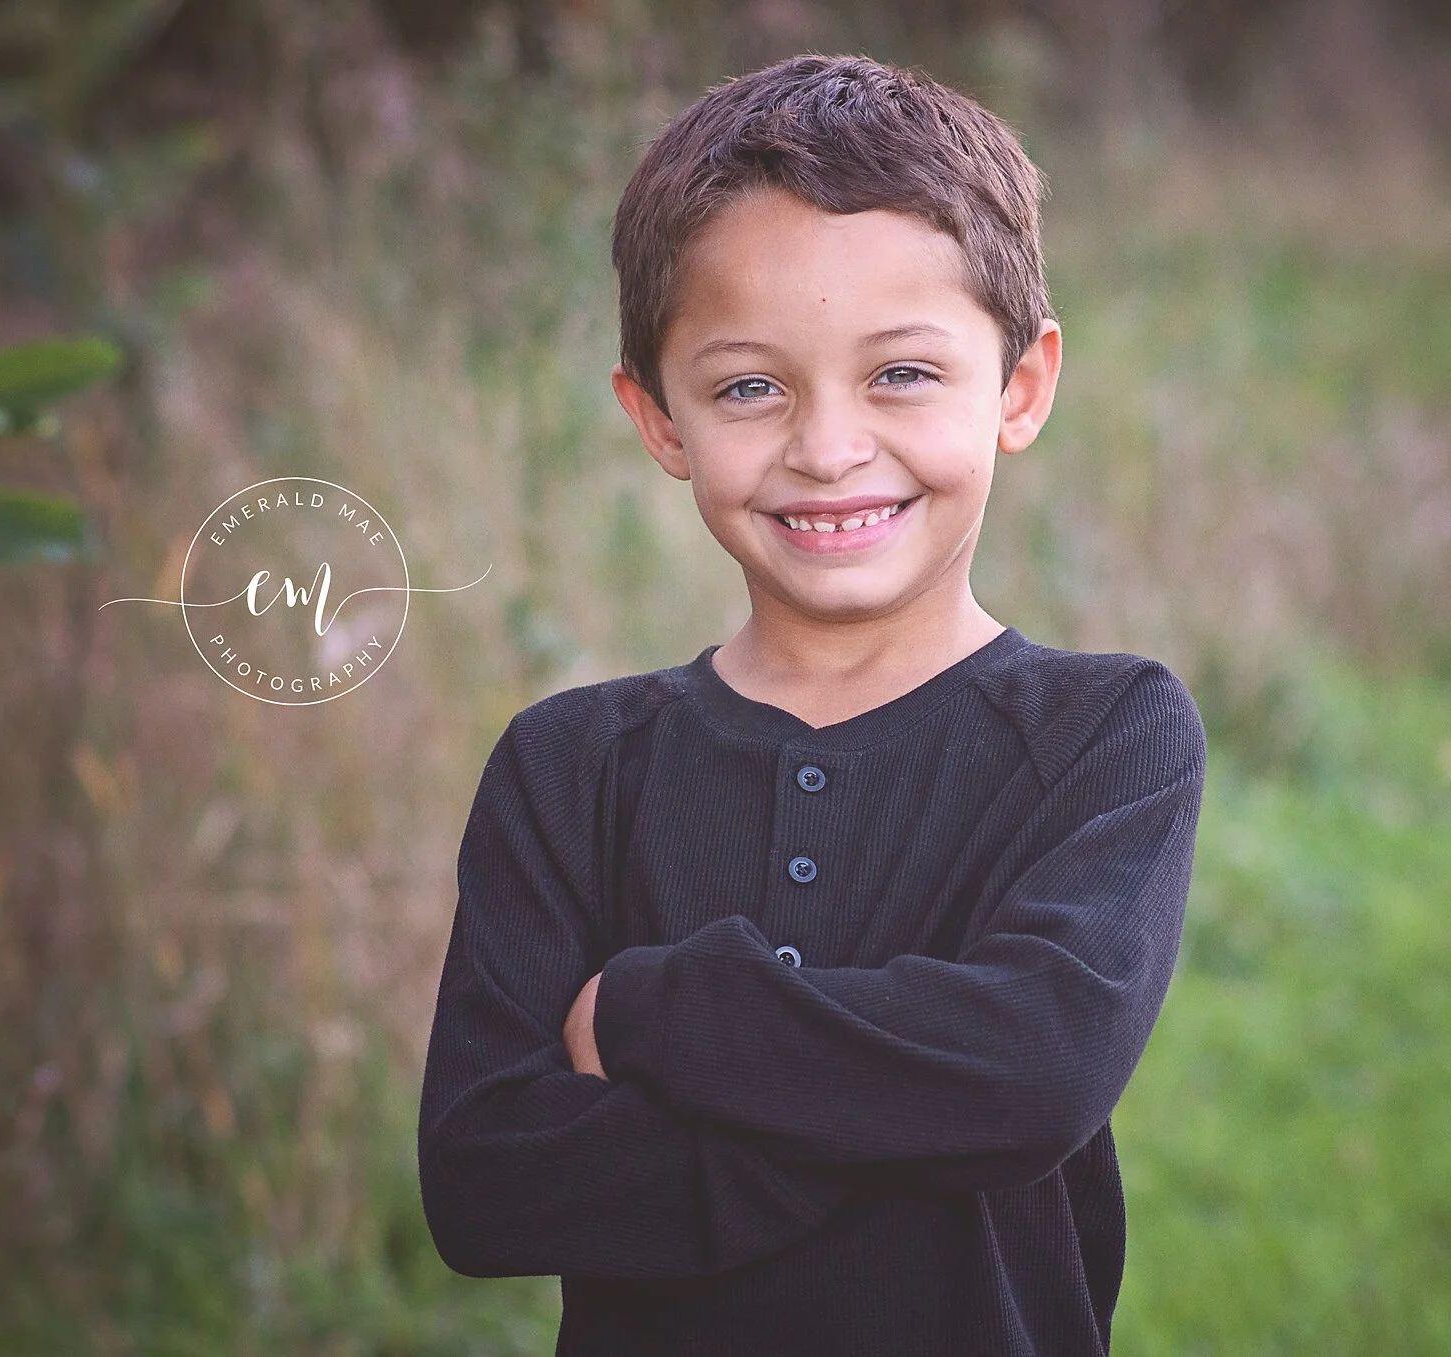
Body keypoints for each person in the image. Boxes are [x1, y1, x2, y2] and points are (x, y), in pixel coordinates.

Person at [417, 52, 1207, 1356]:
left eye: (902, 373)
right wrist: (896, 1119)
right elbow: (487, 1178)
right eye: (750, 386)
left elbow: (1035, 1072)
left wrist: (654, 1013)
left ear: (1020, 386)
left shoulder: (1102, 735)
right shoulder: (571, 768)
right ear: (659, 420)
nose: (829, 449)